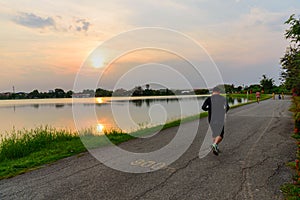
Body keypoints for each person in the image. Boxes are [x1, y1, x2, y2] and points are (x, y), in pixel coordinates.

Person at [202, 86, 230, 156]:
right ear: (219, 92)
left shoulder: (209, 99)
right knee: (221, 134)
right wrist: (223, 112)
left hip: (211, 118)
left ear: (213, 92)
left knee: (215, 133)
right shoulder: (222, 98)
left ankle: (215, 147)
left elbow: (203, 107)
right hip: (219, 118)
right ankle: (214, 145)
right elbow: (227, 107)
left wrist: (208, 109)